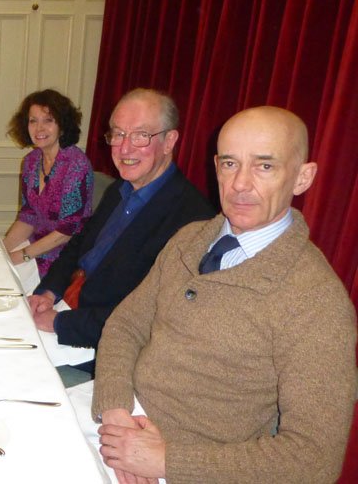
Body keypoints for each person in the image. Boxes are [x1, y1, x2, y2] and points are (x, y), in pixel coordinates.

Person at [90, 106, 356, 482]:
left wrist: (167, 461)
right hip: (118, 423)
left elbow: (314, 459)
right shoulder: (189, 239)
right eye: (230, 164)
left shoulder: (316, 301)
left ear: (302, 177)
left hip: (194, 468)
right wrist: (116, 411)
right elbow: (125, 325)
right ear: (216, 167)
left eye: (265, 166)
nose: (240, 184)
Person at [28, 89, 214, 379]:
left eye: (140, 136)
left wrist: (60, 324)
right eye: (118, 134)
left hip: (104, 352)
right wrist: (49, 291)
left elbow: (150, 316)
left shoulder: (192, 220)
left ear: (169, 141)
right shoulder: (121, 188)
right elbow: (79, 244)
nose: (124, 149)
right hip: (69, 305)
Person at [3, 89, 94, 277]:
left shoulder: (76, 165)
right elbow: (28, 216)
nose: (39, 128)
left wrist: (21, 255)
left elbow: (66, 232)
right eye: (33, 121)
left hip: (66, 255)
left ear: (62, 124)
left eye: (48, 120)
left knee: (6, 280)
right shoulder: (31, 161)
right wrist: (1, 251)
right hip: (36, 245)